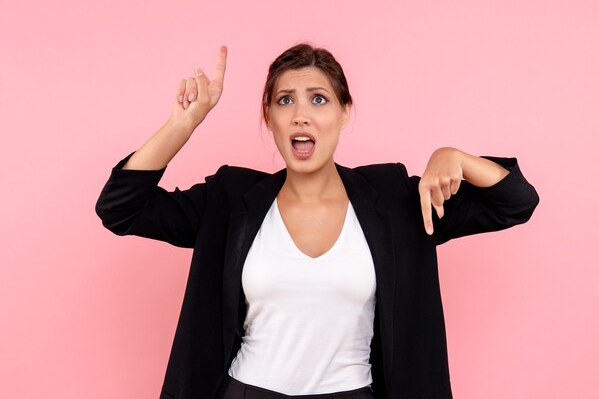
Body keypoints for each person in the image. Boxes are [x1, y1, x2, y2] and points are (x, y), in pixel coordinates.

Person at [96, 43, 539, 399]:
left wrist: (454, 156)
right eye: (284, 100)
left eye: (319, 99)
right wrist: (184, 124)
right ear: (269, 117)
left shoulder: (398, 200)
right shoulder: (230, 200)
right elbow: (121, 208)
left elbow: (514, 202)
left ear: (345, 113)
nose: (301, 114)